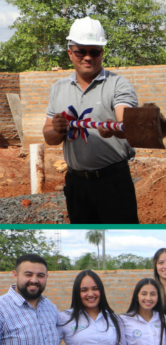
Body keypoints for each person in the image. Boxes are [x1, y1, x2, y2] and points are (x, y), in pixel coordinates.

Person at [42, 17, 140, 224]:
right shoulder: (58, 89)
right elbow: (49, 137)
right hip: (76, 183)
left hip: (113, 181)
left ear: (102, 53)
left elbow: (128, 126)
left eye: (94, 51)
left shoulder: (118, 85)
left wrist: (115, 129)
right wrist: (58, 129)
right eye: (81, 51)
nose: (88, 57)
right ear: (70, 53)